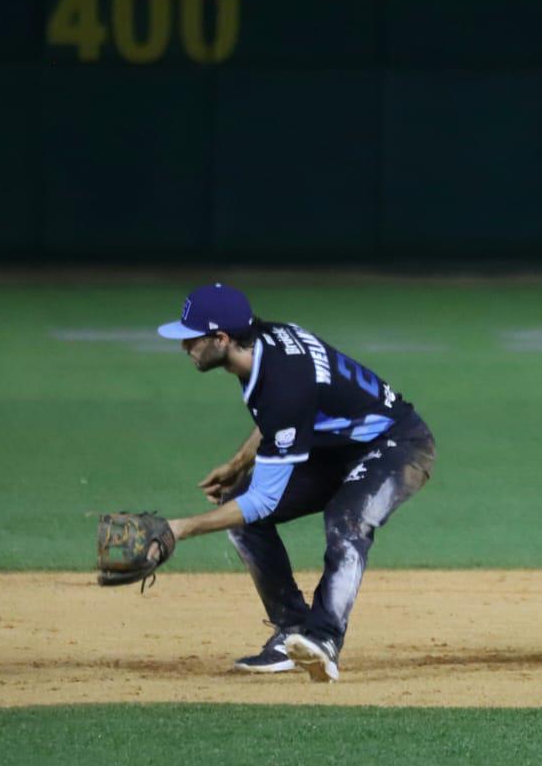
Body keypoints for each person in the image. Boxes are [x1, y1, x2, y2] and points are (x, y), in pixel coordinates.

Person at [152, 283, 436, 682]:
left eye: (191, 338)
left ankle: (324, 639)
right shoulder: (262, 347)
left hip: (397, 445)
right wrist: (238, 463)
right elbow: (280, 418)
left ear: (221, 338)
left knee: (347, 518)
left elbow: (266, 497)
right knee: (241, 507)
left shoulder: (283, 380)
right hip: (337, 448)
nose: (185, 347)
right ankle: (292, 632)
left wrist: (179, 529)